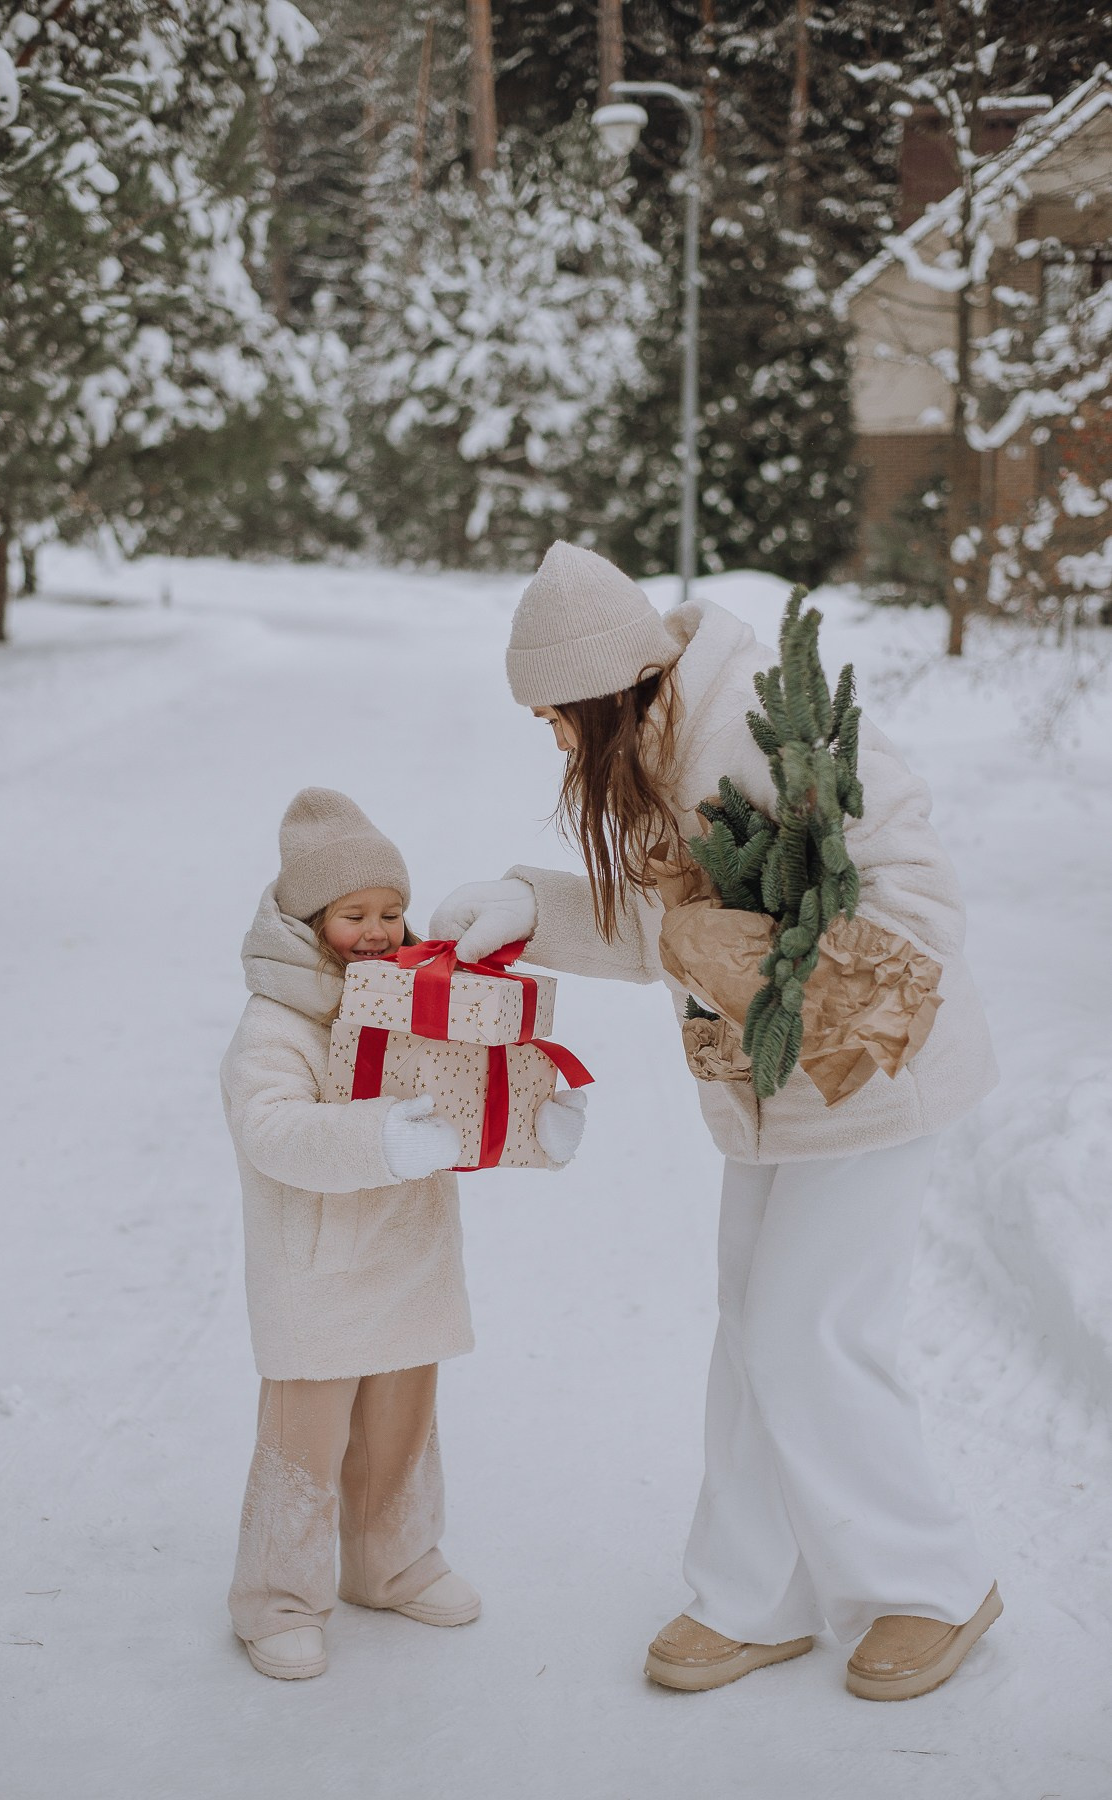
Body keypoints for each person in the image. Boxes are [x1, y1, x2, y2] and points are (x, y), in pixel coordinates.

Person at [430, 542, 1002, 1702]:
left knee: (807, 1333)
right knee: (751, 1331)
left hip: (866, 1080)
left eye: (553, 717)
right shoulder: (655, 745)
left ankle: (931, 1585)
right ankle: (753, 1597)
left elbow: (917, 892)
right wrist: (527, 912)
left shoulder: (759, 726)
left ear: (600, 688)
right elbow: (665, 933)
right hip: (769, 1094)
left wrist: (788, 966)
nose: (551, 741)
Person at [221, 787, 586, 1679]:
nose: (380, 929)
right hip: (318, 1269)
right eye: (354, 914)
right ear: (309, 922)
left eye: (391, 909)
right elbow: (271, 1132)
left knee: (402, 1429)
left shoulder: (417, 998)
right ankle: (277, 1597)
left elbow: (466, 1092)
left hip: (407, 1256)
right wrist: (376, 1137)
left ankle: (394, 1563)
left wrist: (535, 1124)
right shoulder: (277, 1024)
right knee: (305, 1442)